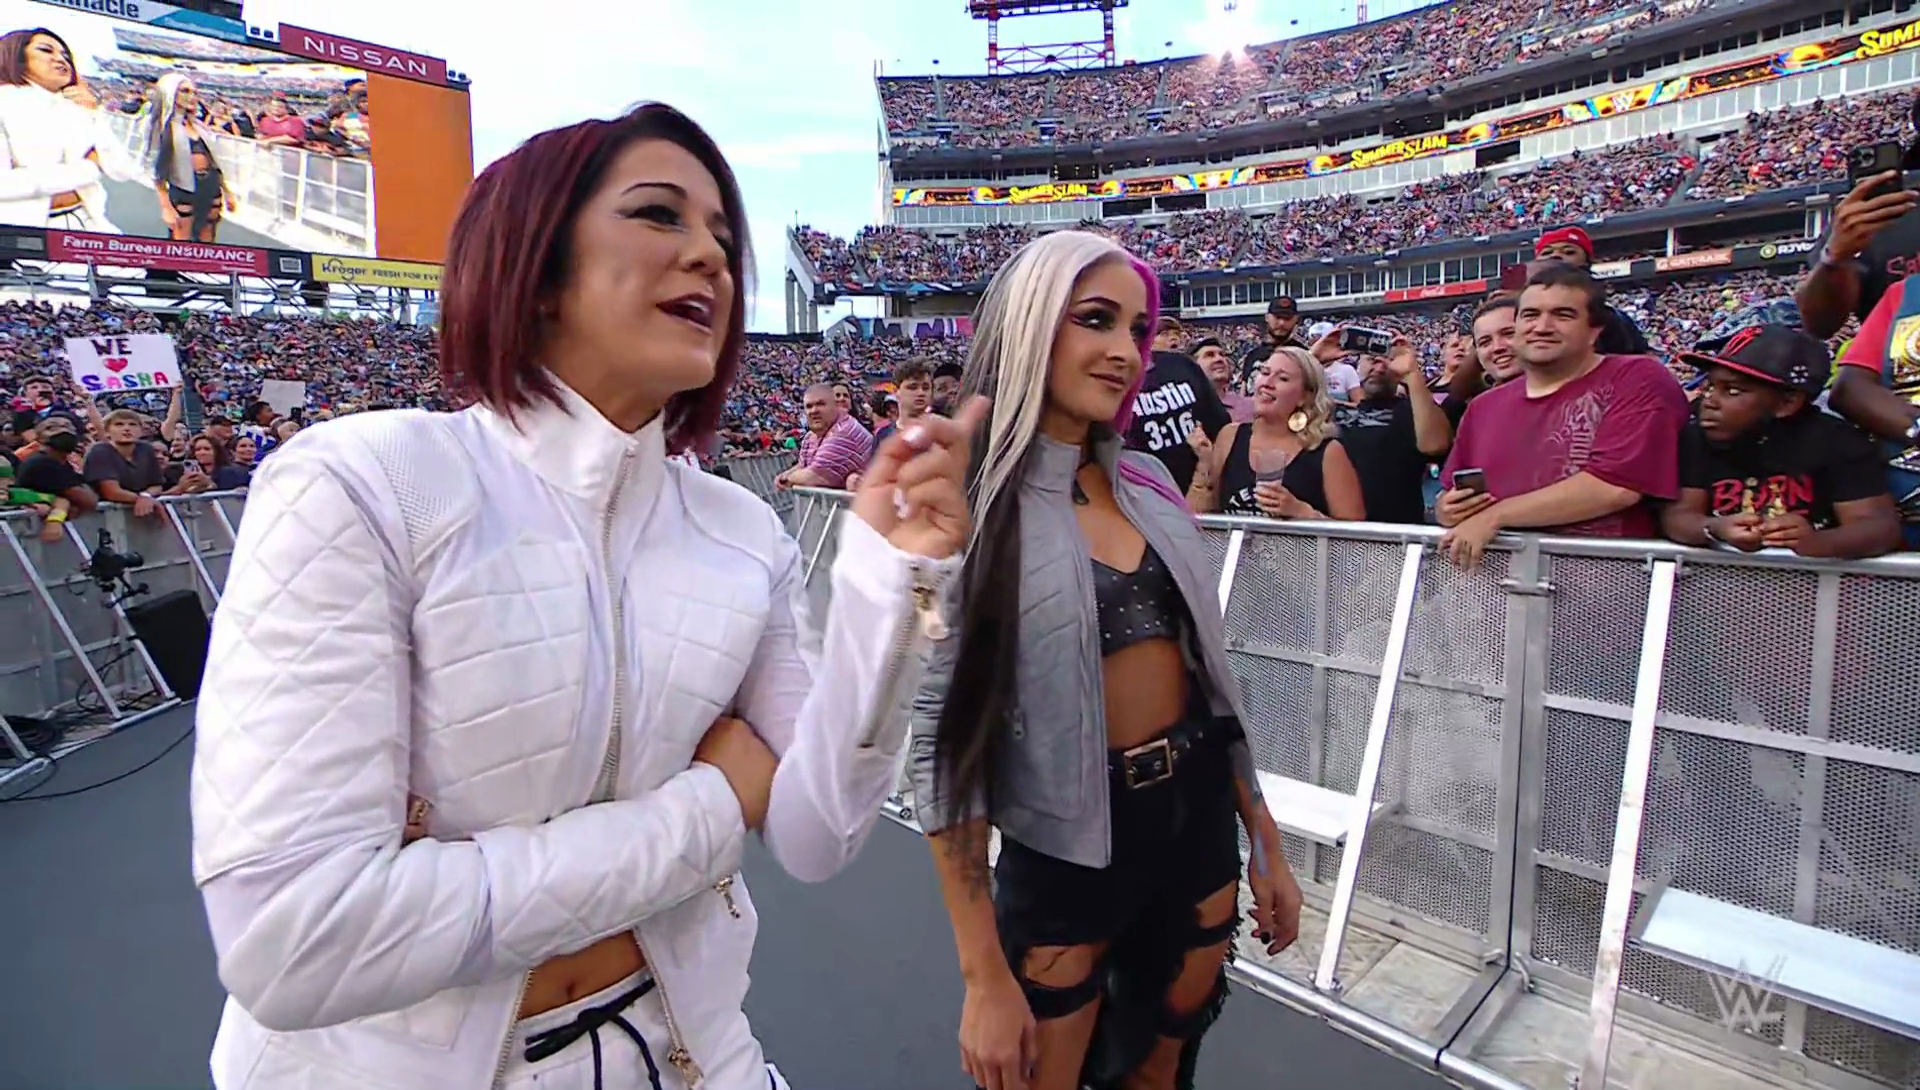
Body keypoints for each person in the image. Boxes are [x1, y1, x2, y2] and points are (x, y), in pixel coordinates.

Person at [189, 103, 985, 1090]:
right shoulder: (364, 486)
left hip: (696, 1054)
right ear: (532, 263)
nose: (710, 256)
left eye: (722, 236)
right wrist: (708, 808)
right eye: (658, 213)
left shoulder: (740, 531)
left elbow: (820, 833)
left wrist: (888, 586)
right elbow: (294, 940)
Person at [908, 230, 1301, 1090]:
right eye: (1095, 320)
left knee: (1162, 1074)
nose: (1126, 351)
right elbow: (941, 750)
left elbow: (1212, 681)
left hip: (1197, 824)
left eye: (1138, 328)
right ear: (1028, 325)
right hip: (1064, 853)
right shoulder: (966, 505)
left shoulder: (1150, 483)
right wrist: (981, 975)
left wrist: (1264, 837)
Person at [1662, 325, 1901, 560]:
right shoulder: (1696, 437)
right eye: (1710, 387)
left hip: (1816, 580)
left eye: (1733, 391)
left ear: (1788, 402)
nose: (1709, 401)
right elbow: (1679, 516)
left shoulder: (1837, 440)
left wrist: (1816, 542)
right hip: (1725, 579)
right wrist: (1714, 528)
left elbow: (1879, 528)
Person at [1188, 346, 1366, 522]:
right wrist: (1204, 466)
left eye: (1283, 378)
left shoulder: (1327, 451)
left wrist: (1302, 512)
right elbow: (1199, 519)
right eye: (1265, 373)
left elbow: (1356, 533)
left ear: (1305, 396)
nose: (1267, 383)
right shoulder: (1230, 436)